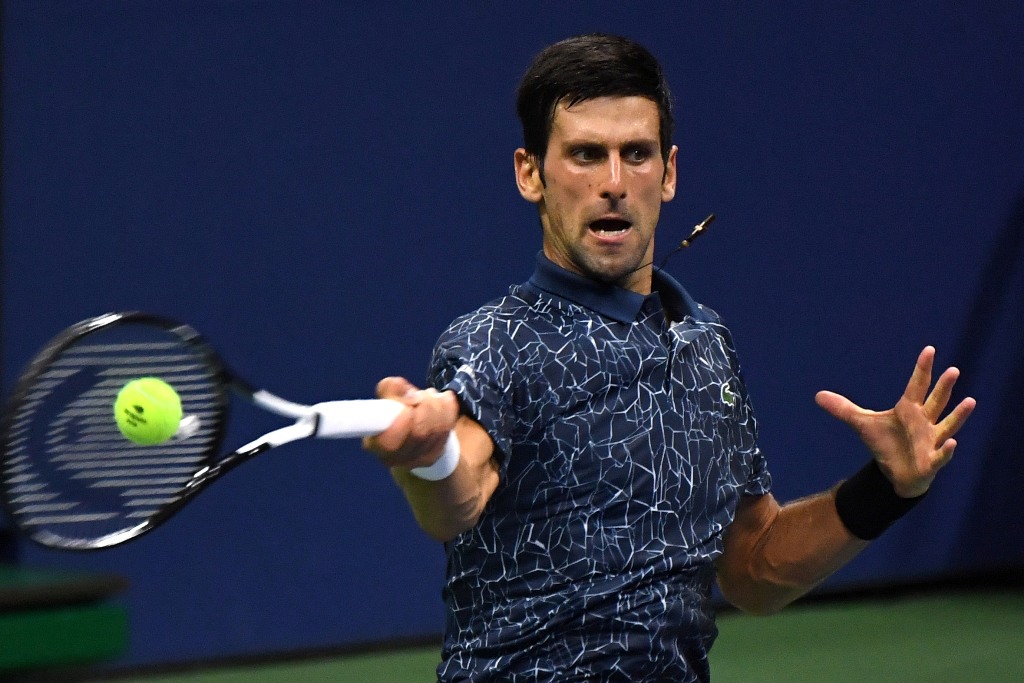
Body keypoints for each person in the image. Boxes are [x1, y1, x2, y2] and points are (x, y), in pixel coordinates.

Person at [364, 33, 976, 682]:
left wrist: (884, 489)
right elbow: (462, 494)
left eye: (637, 154)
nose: (614, 183)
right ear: (529, 173)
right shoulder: (490, 343)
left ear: (670, 171)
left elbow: (752, 568)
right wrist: (429, 457)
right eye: (584, 155)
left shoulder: (704, 343)